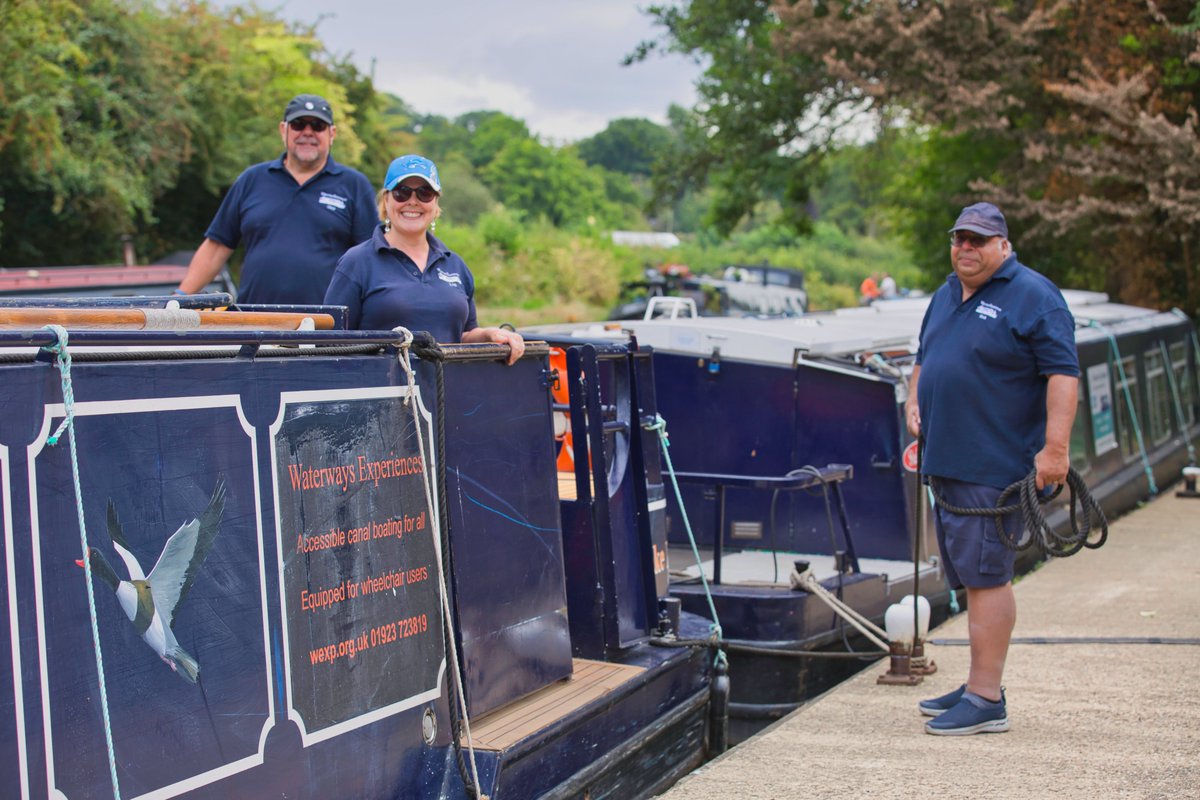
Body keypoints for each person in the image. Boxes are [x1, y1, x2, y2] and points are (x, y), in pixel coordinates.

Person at [905, 202, 1079, 736]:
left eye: (978, 240)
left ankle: (986, 700)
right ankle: (979, 680)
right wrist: (915, 400)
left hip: (992, 464)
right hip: (948, 460)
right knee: (965, 576)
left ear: (1003, 244)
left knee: (987, 577)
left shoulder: (1034, 295)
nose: (966, 248)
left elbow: (1063, 374)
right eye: (959, 239)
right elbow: (923, 357)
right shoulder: (945, 293)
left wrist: (1055, 451)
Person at [176, 94, 377, 304]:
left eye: (317, 126)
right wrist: (179, 298)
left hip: (327, 325)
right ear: (284, 130)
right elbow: (217, 247)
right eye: (298, 125)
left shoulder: (354, 185)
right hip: (256, 322)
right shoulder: (251, 180)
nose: (307, 133)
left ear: (331, 134)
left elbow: (370, 260)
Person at [323, 155, 525, 364]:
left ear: (435, 203)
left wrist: (488, 335)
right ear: (386, 200)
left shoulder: (455, 265)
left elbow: (463, 335)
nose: (413, 201)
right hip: (381, 391)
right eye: (402, 193)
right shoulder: (356, 262)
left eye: (424, 193)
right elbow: (331, 343)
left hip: (448, 391)